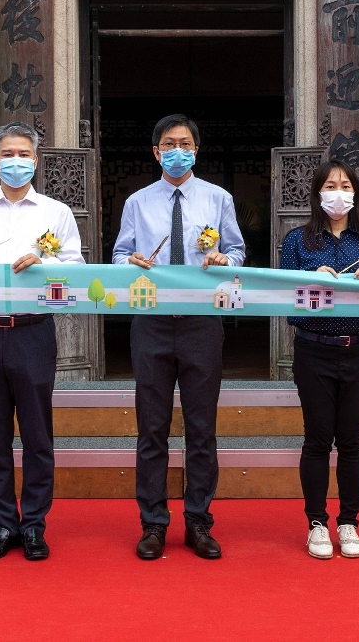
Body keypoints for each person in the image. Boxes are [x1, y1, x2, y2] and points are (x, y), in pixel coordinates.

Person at [0, 122, 84, 562]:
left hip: (32, 331)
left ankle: (34, 525)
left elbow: (76, 266)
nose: (16, 161)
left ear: (36, 161)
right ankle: (4, 523)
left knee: (38, 436)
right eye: (8, 154)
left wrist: (46, 264)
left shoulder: (56, 212)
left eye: (24, 154)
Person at [112, 113, 245, 560]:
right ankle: (153, 523)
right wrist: (130, 261)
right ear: (156, 152)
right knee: (152, 429)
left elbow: (237, 251)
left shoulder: (218, 198)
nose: (177, 151)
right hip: (150, 321)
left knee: (201, 429)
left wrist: (225, 260)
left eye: (185, 144)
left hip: (201, 323)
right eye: (169, 144)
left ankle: (198, 522)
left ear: (196, 150)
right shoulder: (137, 202)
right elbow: (119, 255)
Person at [278, 159, 359, 560]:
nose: (337, 193)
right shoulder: (297, 242)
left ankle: (349, 522)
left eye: (344, 185)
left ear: (355, 193)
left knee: (352, 440)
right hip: (314, 350)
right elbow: (283, 296)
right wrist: (312, 282)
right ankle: (317, 523)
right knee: (318, 439)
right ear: (317, 193)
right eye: (329, 186)